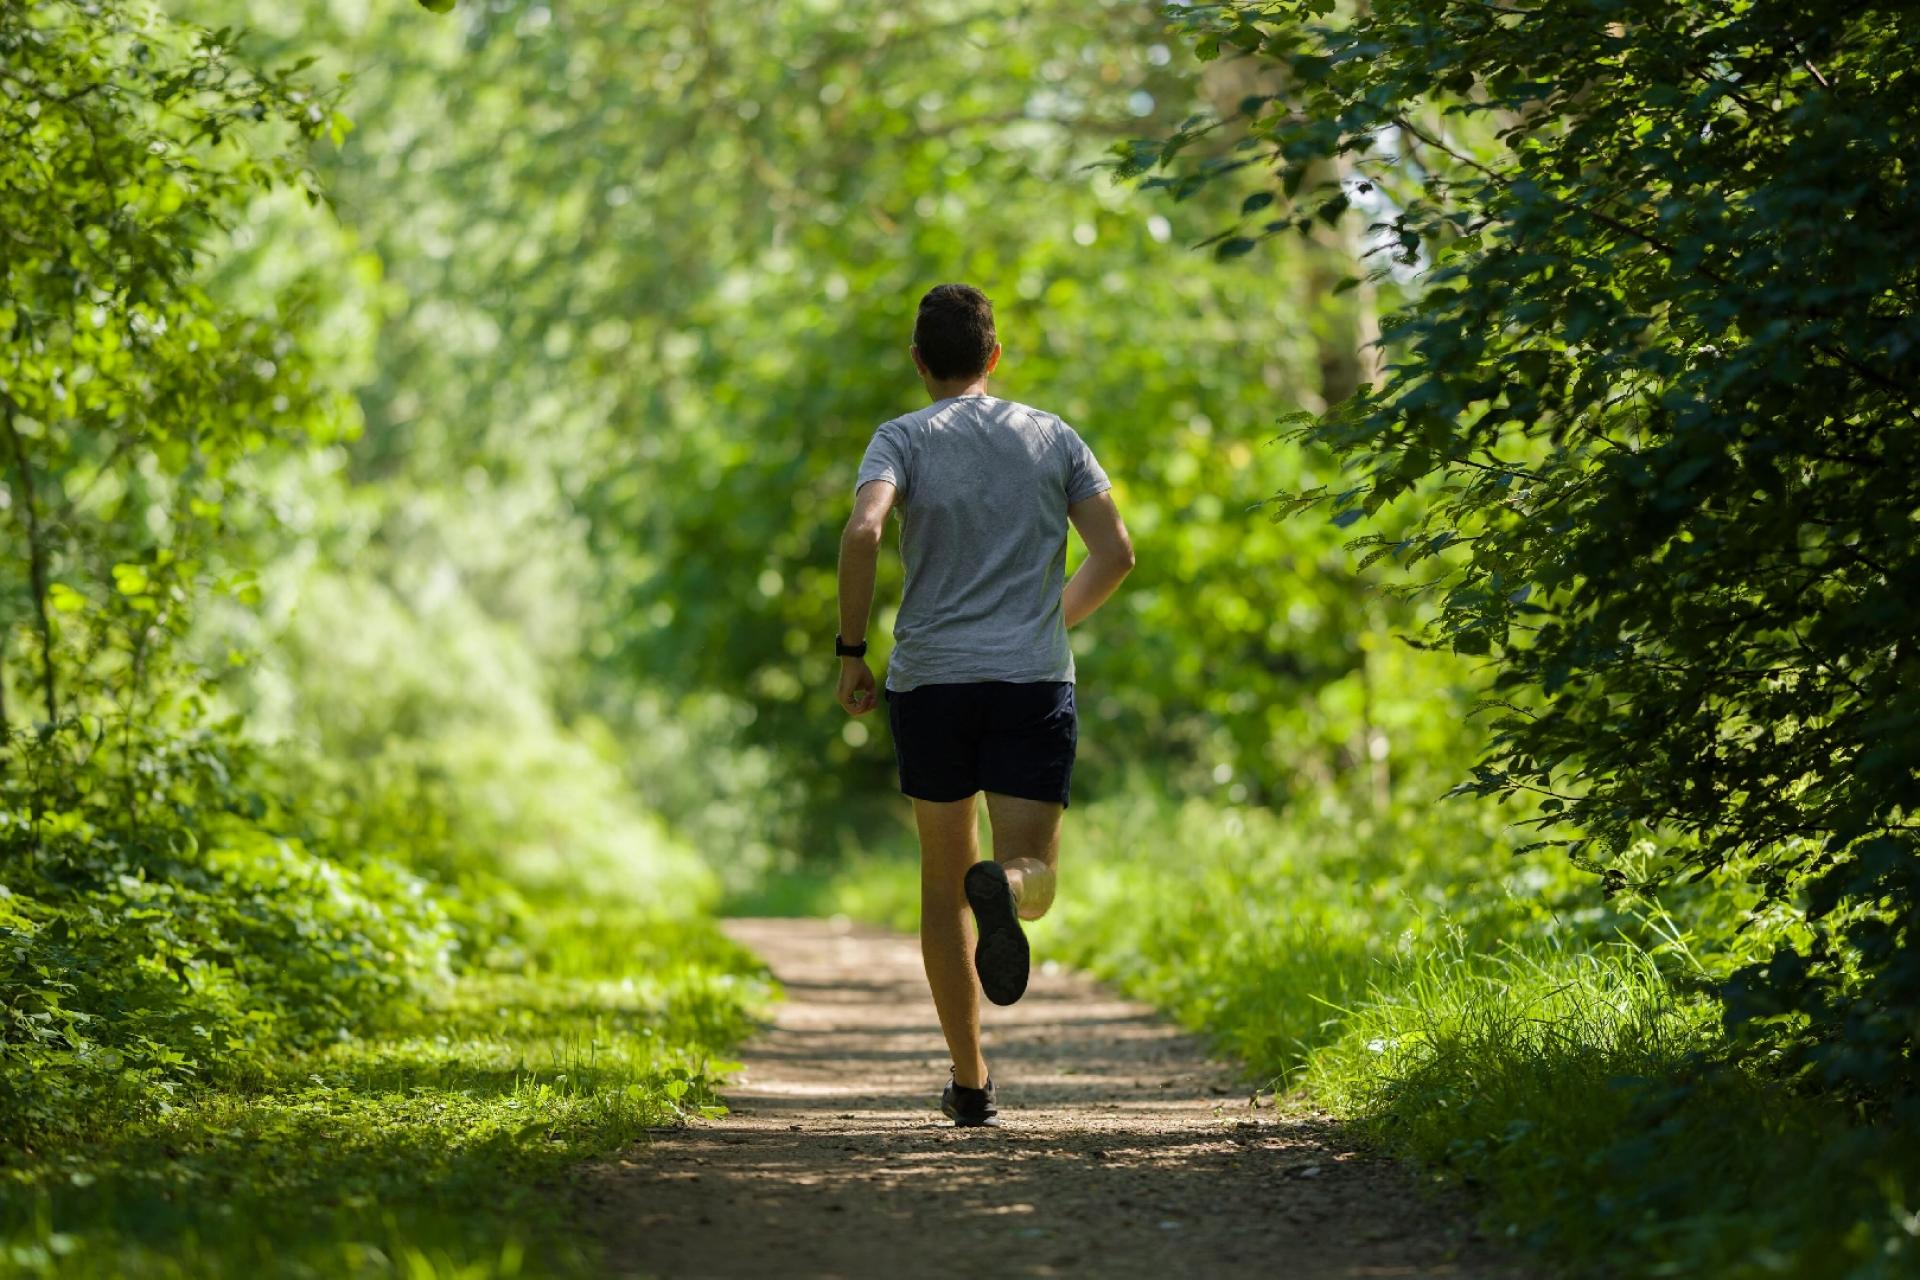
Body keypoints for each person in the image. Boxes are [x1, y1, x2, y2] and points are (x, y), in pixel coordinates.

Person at [833, 283, 1136, 1128]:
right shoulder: (1050, 435)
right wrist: (1048, 618)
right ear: (993, 357)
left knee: (940, 884)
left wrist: (851, 652)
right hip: (1031, 679)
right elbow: (1115, 552)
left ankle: (971, 1083)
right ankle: (1002, 883)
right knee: (1029, 877)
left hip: (929, 681)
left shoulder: (900, 439)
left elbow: (863, 532)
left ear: (920, 361)